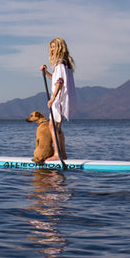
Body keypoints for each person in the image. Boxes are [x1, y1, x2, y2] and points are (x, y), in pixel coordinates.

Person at [40, 38, 77, 168]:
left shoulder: (60, 64)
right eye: (51, 47)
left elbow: (60, 82)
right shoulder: (64, 64)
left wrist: (53, 98)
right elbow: (56, 79)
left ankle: (57, 154)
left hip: (59, 99)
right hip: (63, 98)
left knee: (53, 126)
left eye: (54, 47)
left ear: (60, 47)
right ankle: (63, 153)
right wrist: (46, 73)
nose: (52, 49)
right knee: (57, 127)